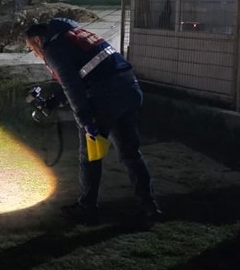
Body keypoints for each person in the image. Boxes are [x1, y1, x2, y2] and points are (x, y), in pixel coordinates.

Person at [24, 18, 161, 224]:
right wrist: (54, 101)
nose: (35, 53)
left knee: (89, 156)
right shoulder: (73, 34)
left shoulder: (52, 48)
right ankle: (149, 206)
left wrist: (84, 119)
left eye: (31, 48)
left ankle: (87, 208)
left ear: (37, 39)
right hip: (129, 88)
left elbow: (72, 86)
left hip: (105, 98)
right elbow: (84, 73)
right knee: (130, 153)